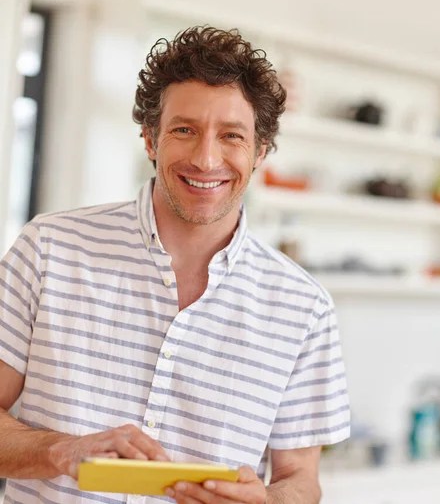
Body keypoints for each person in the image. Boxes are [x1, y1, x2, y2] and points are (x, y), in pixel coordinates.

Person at [0, 25, 350, 504]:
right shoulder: (49, 248)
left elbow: (301, 480)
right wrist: (63, 452)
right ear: (150, 138)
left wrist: (268, 501)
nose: (206, 159)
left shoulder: (305, 309)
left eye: (232, 136)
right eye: (184, 129)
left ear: (260, 152)